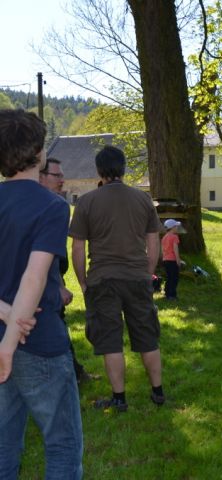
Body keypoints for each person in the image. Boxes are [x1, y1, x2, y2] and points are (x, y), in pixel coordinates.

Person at [0, 109, 83, 478]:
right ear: (38, 153)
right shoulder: (52, 205)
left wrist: (5, 316)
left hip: (6, 334)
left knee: (3, 444)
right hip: (38, 341)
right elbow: (33, 279)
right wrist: (10, 339)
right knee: (62, 444)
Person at [70, 145, 164, 412]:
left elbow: (78, 248)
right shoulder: (143, 199)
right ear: (124, 168)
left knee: (111, 341)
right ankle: (158, 392)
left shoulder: (87, 202)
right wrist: (148, 273)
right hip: (137, 278)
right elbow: (153, 240)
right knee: (147, 337)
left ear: (99, 170)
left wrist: (83, 282)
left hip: (102, 280)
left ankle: (119, 398)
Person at [39, 157, 92, 383]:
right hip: (45, 279)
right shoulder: (47, 206)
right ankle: (69, 376)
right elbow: (44, 254)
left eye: (62, 175)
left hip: (53, 276)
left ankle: (74, 372)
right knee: (55, 329)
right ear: (41, 177)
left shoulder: (55, 204)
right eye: (56, 175)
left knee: (58, 325)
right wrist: (58, 285)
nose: (62, 179)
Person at [161, 219, 182, 301]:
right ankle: (172, 295)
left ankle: (167, 293)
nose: (177, 227)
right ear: (172, 227)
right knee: (174, 278)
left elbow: (163, 250)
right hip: (173, 260)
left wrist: (164, 258)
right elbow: (175, 250)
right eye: (176, 226)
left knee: (169, 277)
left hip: (166, 260)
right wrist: (178, 261)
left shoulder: (164, 237)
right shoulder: (174, 237)